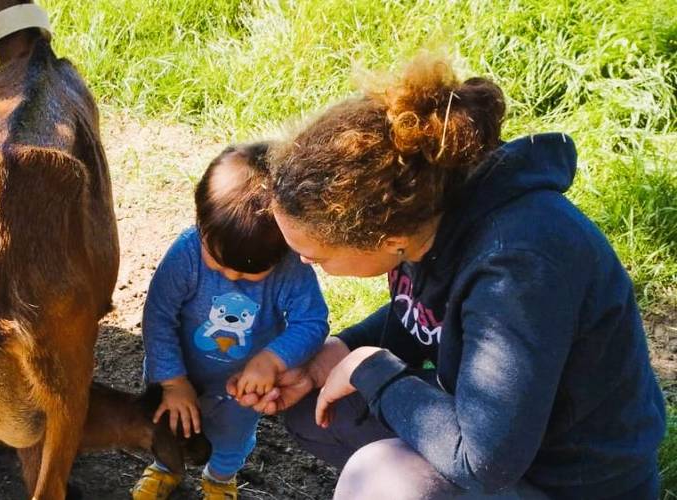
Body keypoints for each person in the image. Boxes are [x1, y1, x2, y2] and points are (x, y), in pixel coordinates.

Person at [229, 56, 667, 499]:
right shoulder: (424, 209)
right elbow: (428, 313)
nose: (304, 263)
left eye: (314, 255)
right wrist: (343, 349)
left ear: (388, 239)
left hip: (570, 483)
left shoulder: (517, 271)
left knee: (383, 480)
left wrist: (372, 369)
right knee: (318, 399)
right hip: (508, 448)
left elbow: (484, 461)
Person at [132, 143, 330, 500]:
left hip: (240, 389)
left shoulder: (289, 267)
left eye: (249, 272)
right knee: (167, 426)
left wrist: (271, 359)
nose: (230, 274)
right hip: (176, 373)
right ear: (201, 223)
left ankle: (220, 480)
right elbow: (158, 316)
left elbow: (312, 321)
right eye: (218, 261)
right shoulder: (188, 252)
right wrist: (173, 382)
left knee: (231, 439)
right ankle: (166, 468)